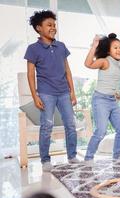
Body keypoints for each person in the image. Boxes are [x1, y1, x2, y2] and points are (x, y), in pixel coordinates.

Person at [24, 10, 79, 172]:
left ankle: (72, 156)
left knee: (70, 124)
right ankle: (45, 160)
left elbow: (67, 70)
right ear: (38, 28)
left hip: (64, 92)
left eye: (54, 25)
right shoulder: (33, 49)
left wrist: (72, 92)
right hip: (46, 93)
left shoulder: (61, 46)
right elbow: (30, 74)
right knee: (46, 126)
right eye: (49, 25)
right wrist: (35, 96)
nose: (53, 27)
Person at [84, 33, 120, 163]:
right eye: (115, 47)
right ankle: (88, 157)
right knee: (101, 131)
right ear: (108, 50)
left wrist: (115, 92)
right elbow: (88, 64)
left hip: (112, 100)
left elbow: (110, 80)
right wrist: (94, 46)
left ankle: (117, 155)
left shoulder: (118, 63)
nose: (119, 50)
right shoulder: (105, 61)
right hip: (100, 100)